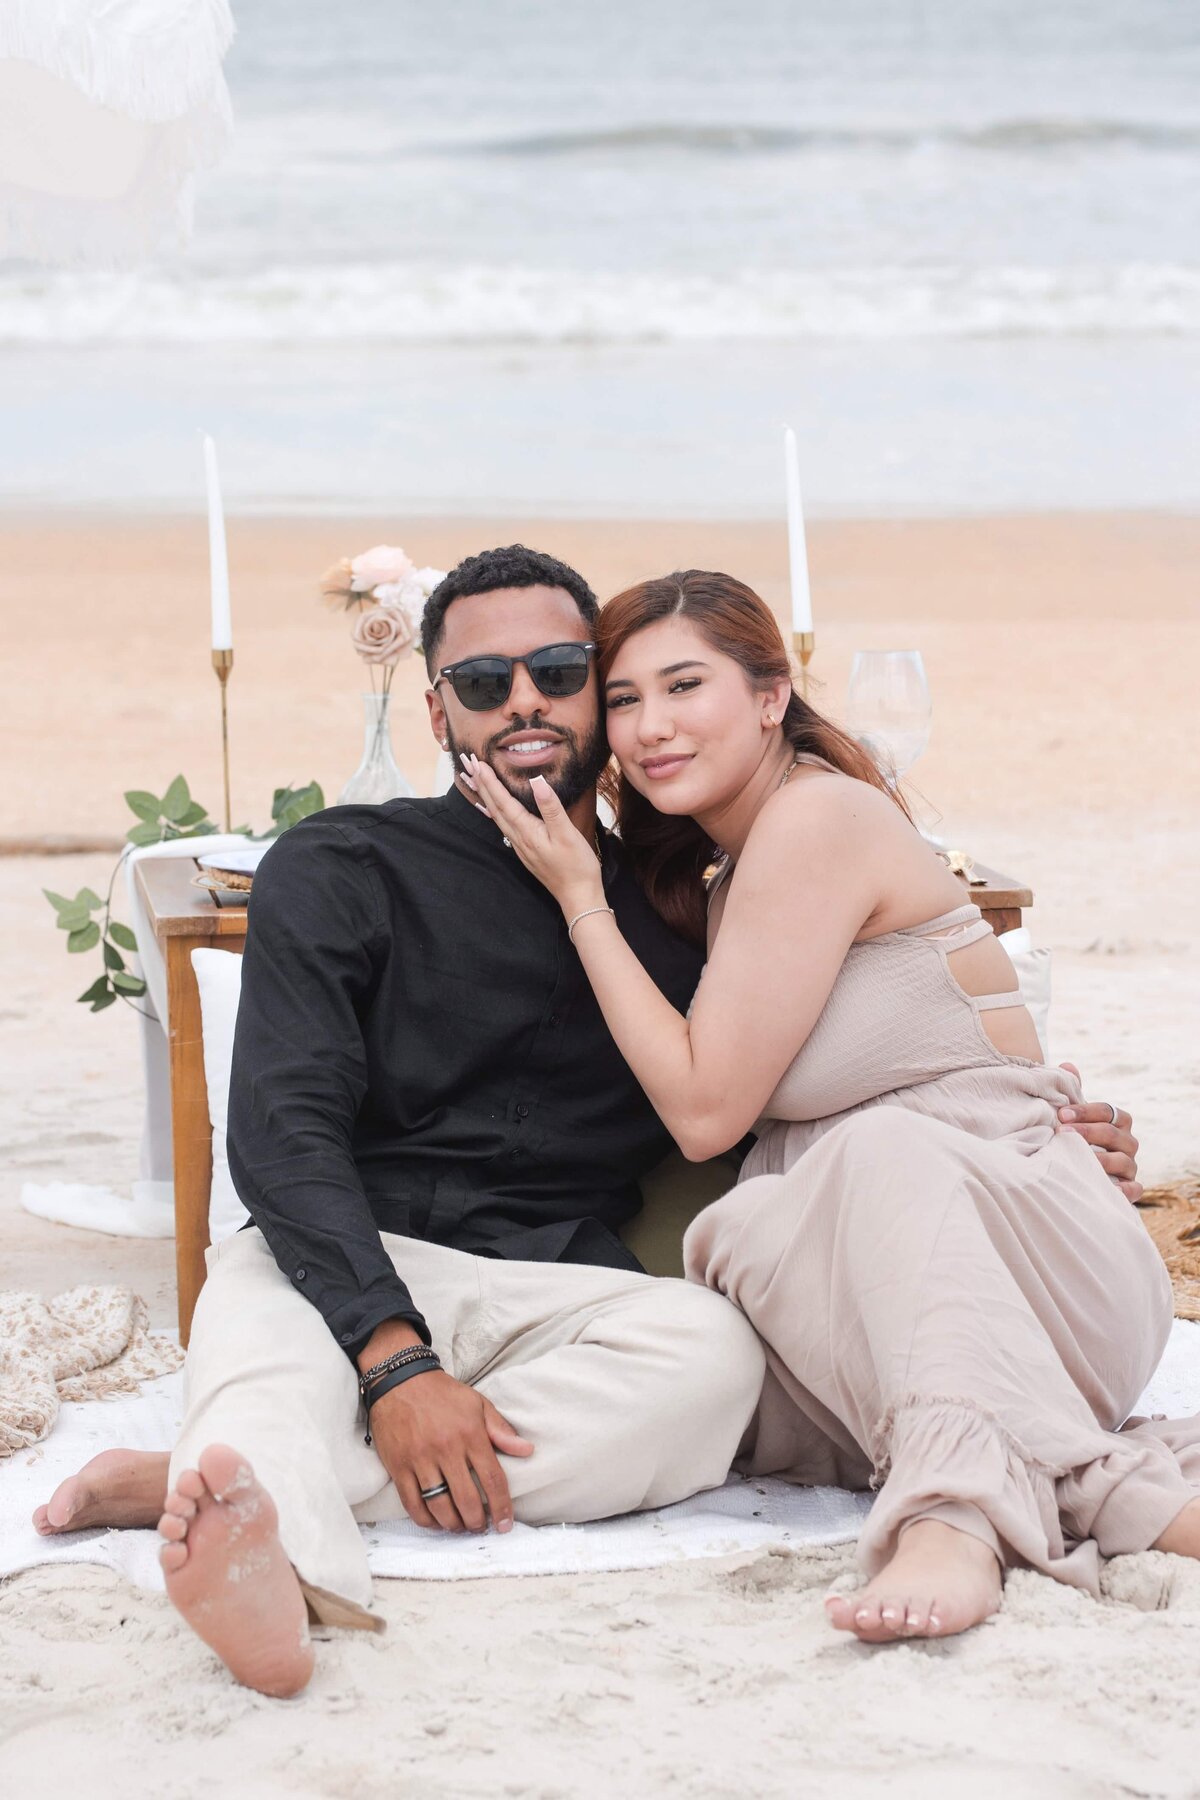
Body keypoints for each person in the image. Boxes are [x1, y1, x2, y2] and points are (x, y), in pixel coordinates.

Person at [33, 548, 1140, 1688]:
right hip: (343, 1264)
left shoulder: (672, 917)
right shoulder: (343, 864)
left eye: (561, 671)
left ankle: (229, 1477)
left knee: (711, 1364)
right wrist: (395, 1362)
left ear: (594, 699)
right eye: (482, 682)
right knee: (262, 1337)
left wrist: (1029, 1132)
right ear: (437, 712)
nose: (523, 699)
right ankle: (284, 1581)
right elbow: (281, 1130)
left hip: (557, 1293)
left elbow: (793, 1090)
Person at [466, 566, 1196, 1646]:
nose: (651, 727)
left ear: (771, 696)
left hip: (1027, 1260)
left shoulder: (819, 820)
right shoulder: (715, 872)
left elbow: (707, 1114)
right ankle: (1098, 1487)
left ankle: (953, 1514)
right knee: (710, 1322)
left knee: (877, 1148)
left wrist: (580, 899)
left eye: (684, 687)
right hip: (868, 1297)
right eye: (623, 700)